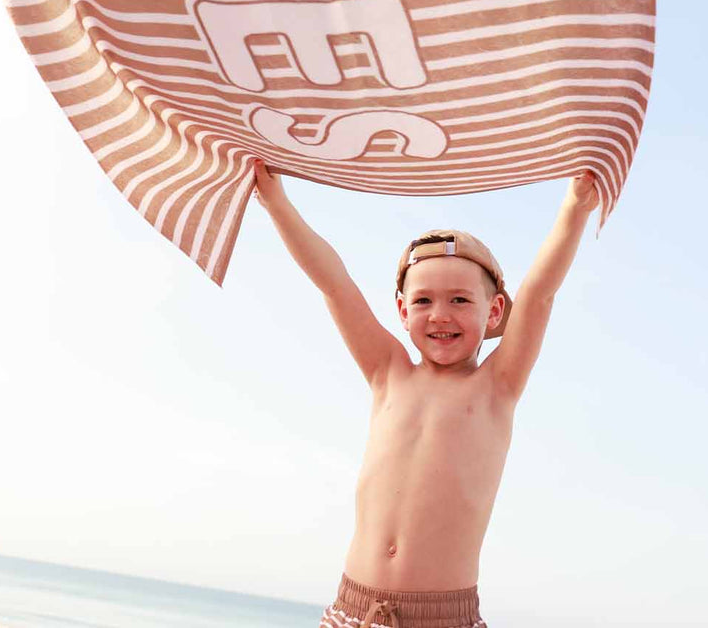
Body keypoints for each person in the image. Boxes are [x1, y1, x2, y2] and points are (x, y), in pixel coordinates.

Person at [251, 159, 600, 628]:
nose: (439, 314)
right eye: (422, 301)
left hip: (443, 618)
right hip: (352, 608)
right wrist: (276, 203)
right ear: (401, 309)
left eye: (460, 300)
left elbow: (538, 294)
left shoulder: (497, 387)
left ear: (494, 311)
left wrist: (575, 208)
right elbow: (335, 285)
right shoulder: (387, 371)